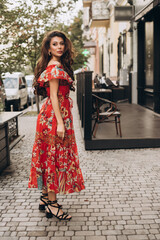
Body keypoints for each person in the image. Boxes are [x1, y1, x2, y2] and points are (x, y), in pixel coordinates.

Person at [28, 30, 85, 221]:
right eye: (55, 44)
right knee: (52, 158)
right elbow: (53, 96)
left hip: (53, 116)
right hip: (54, 118)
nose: (59, 47)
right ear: (48, 48)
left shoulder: (57, 65)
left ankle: (45, 197)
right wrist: (60, 123)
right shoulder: (54, 67)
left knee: (48, 157)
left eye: (61, 43)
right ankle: (52, 206)